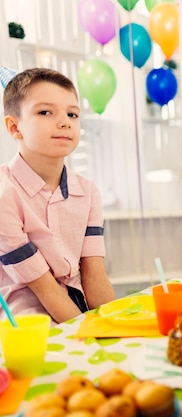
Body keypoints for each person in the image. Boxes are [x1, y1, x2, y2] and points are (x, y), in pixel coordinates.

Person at [0, 67, 115, 325]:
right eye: (45, 112)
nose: (64, 121)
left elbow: (94, 275)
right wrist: (89, 333)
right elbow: (44, 288)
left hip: (77, 302)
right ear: (14, 127)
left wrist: (113, 324)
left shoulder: (87, 191)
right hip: (26, 313)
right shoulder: (5, 195)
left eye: (72, 114)